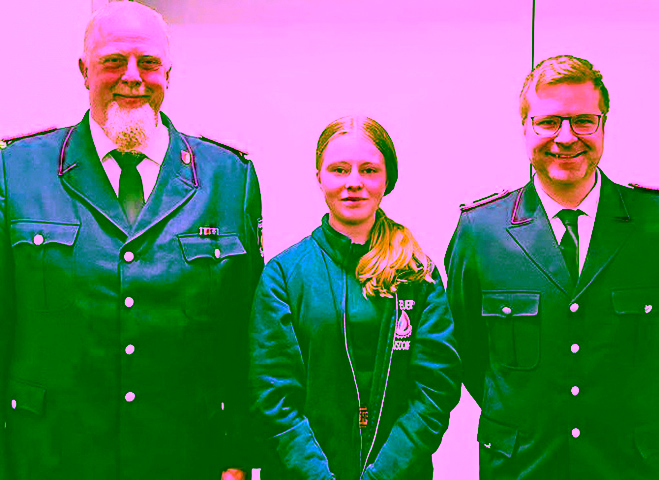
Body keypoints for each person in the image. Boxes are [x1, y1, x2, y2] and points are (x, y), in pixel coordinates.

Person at [0, 2, 262, 479]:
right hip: (50, 452)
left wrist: (241, 453)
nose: (132, 77)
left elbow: (244, 333)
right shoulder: (17, 171)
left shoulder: (228, 178)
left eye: (148, 63)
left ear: (168, 74)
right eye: (114, 61)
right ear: (84, 71)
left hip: (185, 452)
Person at [445, 54, 659, 479]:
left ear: (603, 125)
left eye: (583, 121)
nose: (566, 137)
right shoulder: (481, 232)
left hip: (629, 464)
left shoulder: (652, 224)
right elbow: (464, 351)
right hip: (522, 464)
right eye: (548, 122)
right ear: (525, 128)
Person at [249, 115, 461, 479]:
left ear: (387, 179)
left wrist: (381, 475)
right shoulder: (284, 275)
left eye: (369, 170)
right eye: (339, 170)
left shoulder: (417, 273)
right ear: (319, 177)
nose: (354, 183)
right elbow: (274, 395)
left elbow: (435, 389)